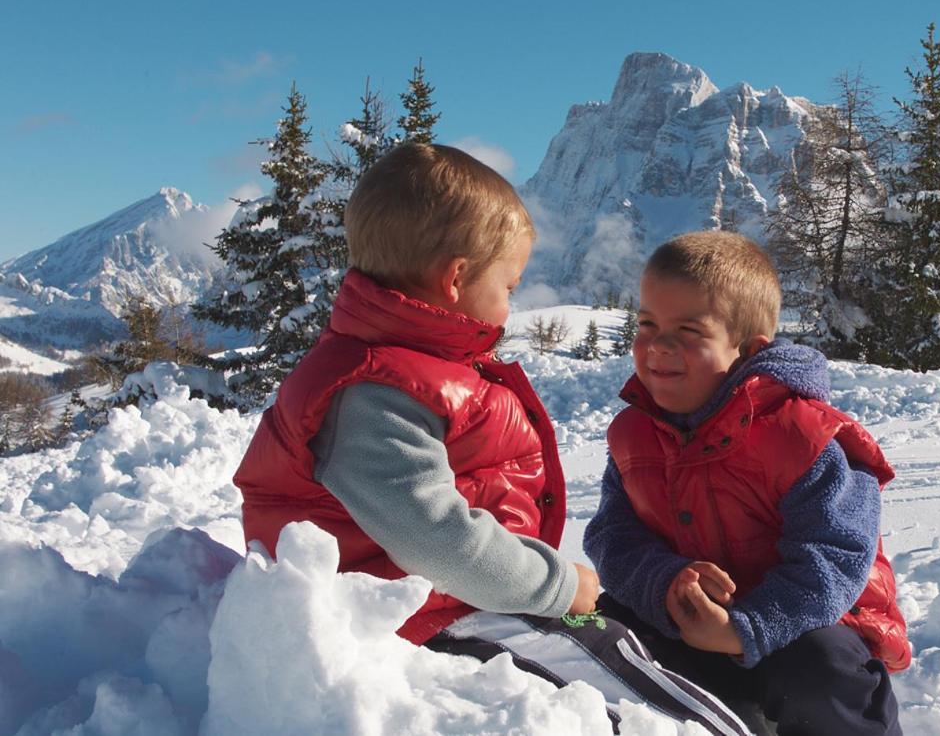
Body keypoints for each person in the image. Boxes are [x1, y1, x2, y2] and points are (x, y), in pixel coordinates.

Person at [232, 144, 750, 735]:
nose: (511, 303)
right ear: (455, 280)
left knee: (632, 651)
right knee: (655, 711)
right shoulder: (373, 393)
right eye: (509, 285)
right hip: (427, 615)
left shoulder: (410, 368)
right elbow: (434, 540)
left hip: (464, 598)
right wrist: (555, 583)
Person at [584, 231, 910, 735]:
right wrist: (666, 583)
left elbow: (836, 557)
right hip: (691, 620)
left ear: (747, 352)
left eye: (689, 331)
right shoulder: (634, 434)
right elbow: (613, 535)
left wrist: (744, 630)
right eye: (647, 323)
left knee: (825, 672)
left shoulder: (804, 437)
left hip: (799, 625)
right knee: (600, 636)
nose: (659, 346)